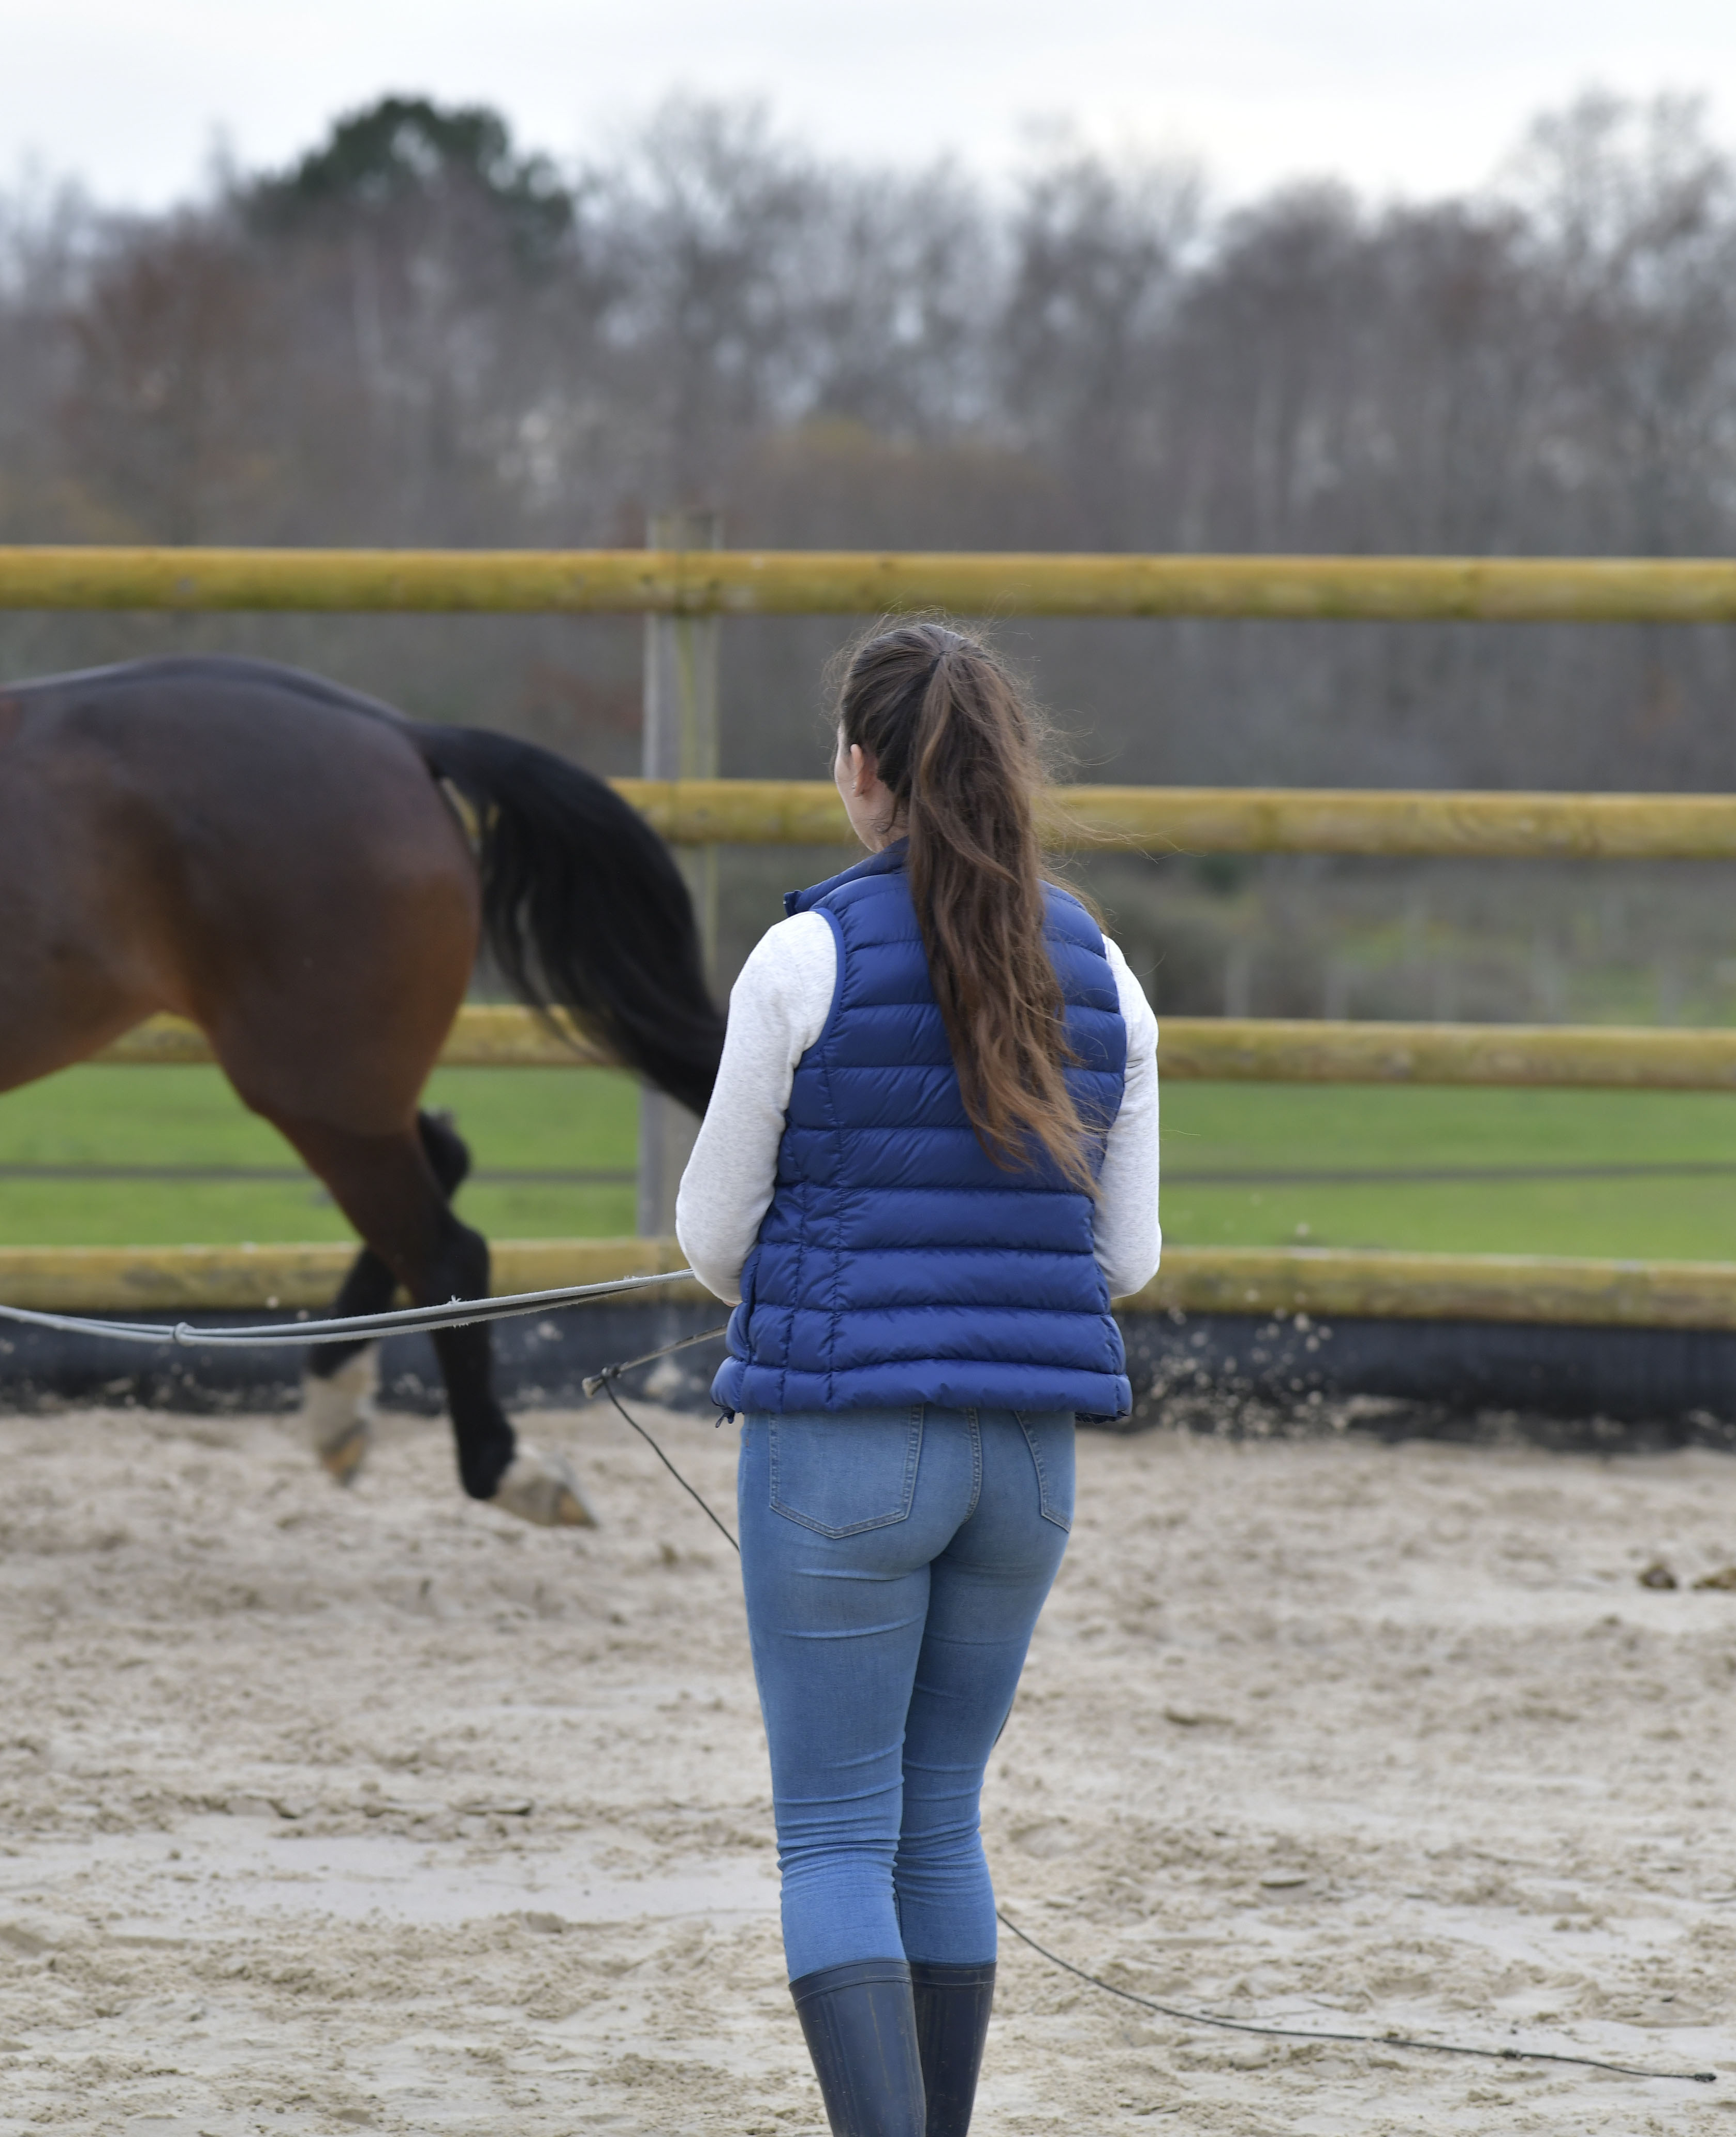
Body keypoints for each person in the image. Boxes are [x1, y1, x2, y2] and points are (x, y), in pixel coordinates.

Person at [676, 620, 1162, 2137]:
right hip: (1027, 1464)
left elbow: (709, 1240)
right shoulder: (1107, 968)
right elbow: (1126, 1258)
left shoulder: (800, 953)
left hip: (844, 1451)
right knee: (936, 1818)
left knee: (831, 1834)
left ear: (862, 770)